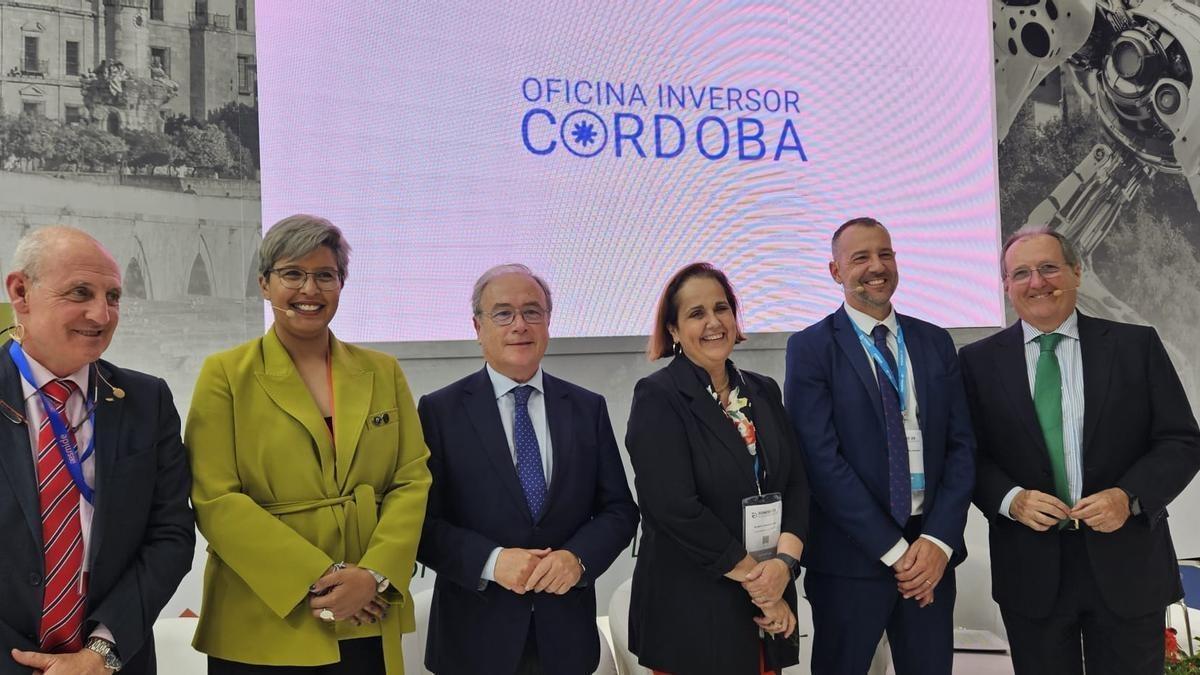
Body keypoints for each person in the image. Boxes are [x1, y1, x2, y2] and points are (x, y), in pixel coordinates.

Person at [185, 214, 431, 674]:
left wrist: (372, 575)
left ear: (342, 284)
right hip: (261, 613)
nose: (309, 290)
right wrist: (323, 578)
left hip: (368, 608)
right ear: (264, 283)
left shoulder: (383, 371)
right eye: (292, 274)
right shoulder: (224, 375)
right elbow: (215, 498)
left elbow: (411, 479)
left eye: (325, 275)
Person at [959, 225, 1200, 675]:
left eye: (1049, 268)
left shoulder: (1135, 345)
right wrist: (1012, 500)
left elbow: (1181, 441)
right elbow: (966, 455)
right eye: (1022, 273)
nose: (1037, 282)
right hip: (1031, 570)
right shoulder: (976, 362)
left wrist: (1127, 497)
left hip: (1127, 564)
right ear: (1006, 285)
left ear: (1076, 272)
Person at [416, 263, 638, 675]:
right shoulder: (439, 411)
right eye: (503, 313)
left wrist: (579, 558)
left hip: (565, 639)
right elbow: (420, 524)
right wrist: (491, 560)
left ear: (548, 323)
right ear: (478, 327)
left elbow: (619, 510)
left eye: (532, 311)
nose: (520, 325)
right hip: (473, 642)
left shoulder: (587, 408)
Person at [784, 217, 975, 675]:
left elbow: (962, 448)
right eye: (861, 258)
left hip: (931, 557)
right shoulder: (810, 348)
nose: (876, 267)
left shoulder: (934, 341)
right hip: (852, 560)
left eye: (884, 254)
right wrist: (896, 552)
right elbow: (821, 461)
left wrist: (936, 542)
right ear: (835, 272)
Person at [1, 226, 194, 674]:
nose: (102, 315)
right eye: (80, 292)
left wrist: (101, 653)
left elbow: (171, 535)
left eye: (113, 297)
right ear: (21, 291)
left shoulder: (147, 400)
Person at [625, 262, 809, 675]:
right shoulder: (658, 397)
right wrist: (762, 587)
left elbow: (796, 486)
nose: (713, 322)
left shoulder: (763, 389)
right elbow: (676, 509)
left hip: (765, 601)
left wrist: (784, 566)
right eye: (696, 314)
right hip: (694, 611)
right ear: (672, 330)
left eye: (721, 308)